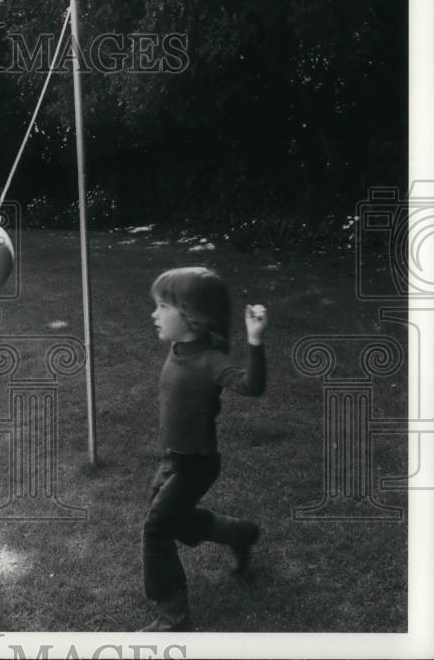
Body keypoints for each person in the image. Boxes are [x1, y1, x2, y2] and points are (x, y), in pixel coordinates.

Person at [140, 266, 268, 631]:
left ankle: (174, 616)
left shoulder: (211, 361)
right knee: (177, 522)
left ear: (193, 317)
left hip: (195, 465)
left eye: (162, 306)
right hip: (172, 459)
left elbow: (252, 386)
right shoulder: (179, 348)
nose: (154, 313)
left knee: (157, 530)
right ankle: (239, 533)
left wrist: (255, 340)